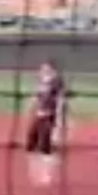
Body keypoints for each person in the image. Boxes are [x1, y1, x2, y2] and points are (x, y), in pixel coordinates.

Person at [23, 59, 68, 187]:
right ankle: (35, 171)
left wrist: (59, 119)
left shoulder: (57, 82)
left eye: (45, 68)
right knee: (30, 144)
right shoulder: (42, 81)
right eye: (42, 69)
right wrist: (30, 106)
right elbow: (37, 96)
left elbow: (61, 100)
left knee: (45, 147)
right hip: (38, 116)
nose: (42, 71)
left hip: (49, 116)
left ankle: (47, 174)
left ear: (52, 70)